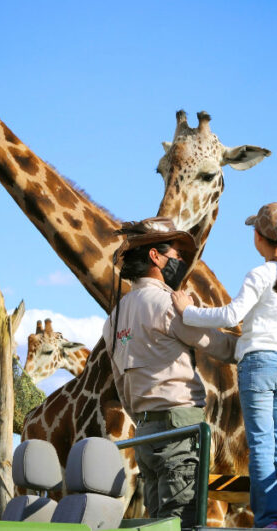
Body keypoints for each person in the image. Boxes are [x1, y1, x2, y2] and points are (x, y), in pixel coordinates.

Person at [171, 202, 277, 529]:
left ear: (259, 237)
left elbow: (232, 315)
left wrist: (188, 311)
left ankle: (269, 522)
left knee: (261, 449)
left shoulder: (260, 274)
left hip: (260, 365)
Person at [102, 217, 236, 529]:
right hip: (180, 428)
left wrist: (143, 419)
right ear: (155, 256)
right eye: (175, 253)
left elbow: (122, 384)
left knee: (157, 523)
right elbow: (220, 347)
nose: (179, 260)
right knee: (182, 521)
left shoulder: (113, 319)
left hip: (146, 433)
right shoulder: (168, 304)